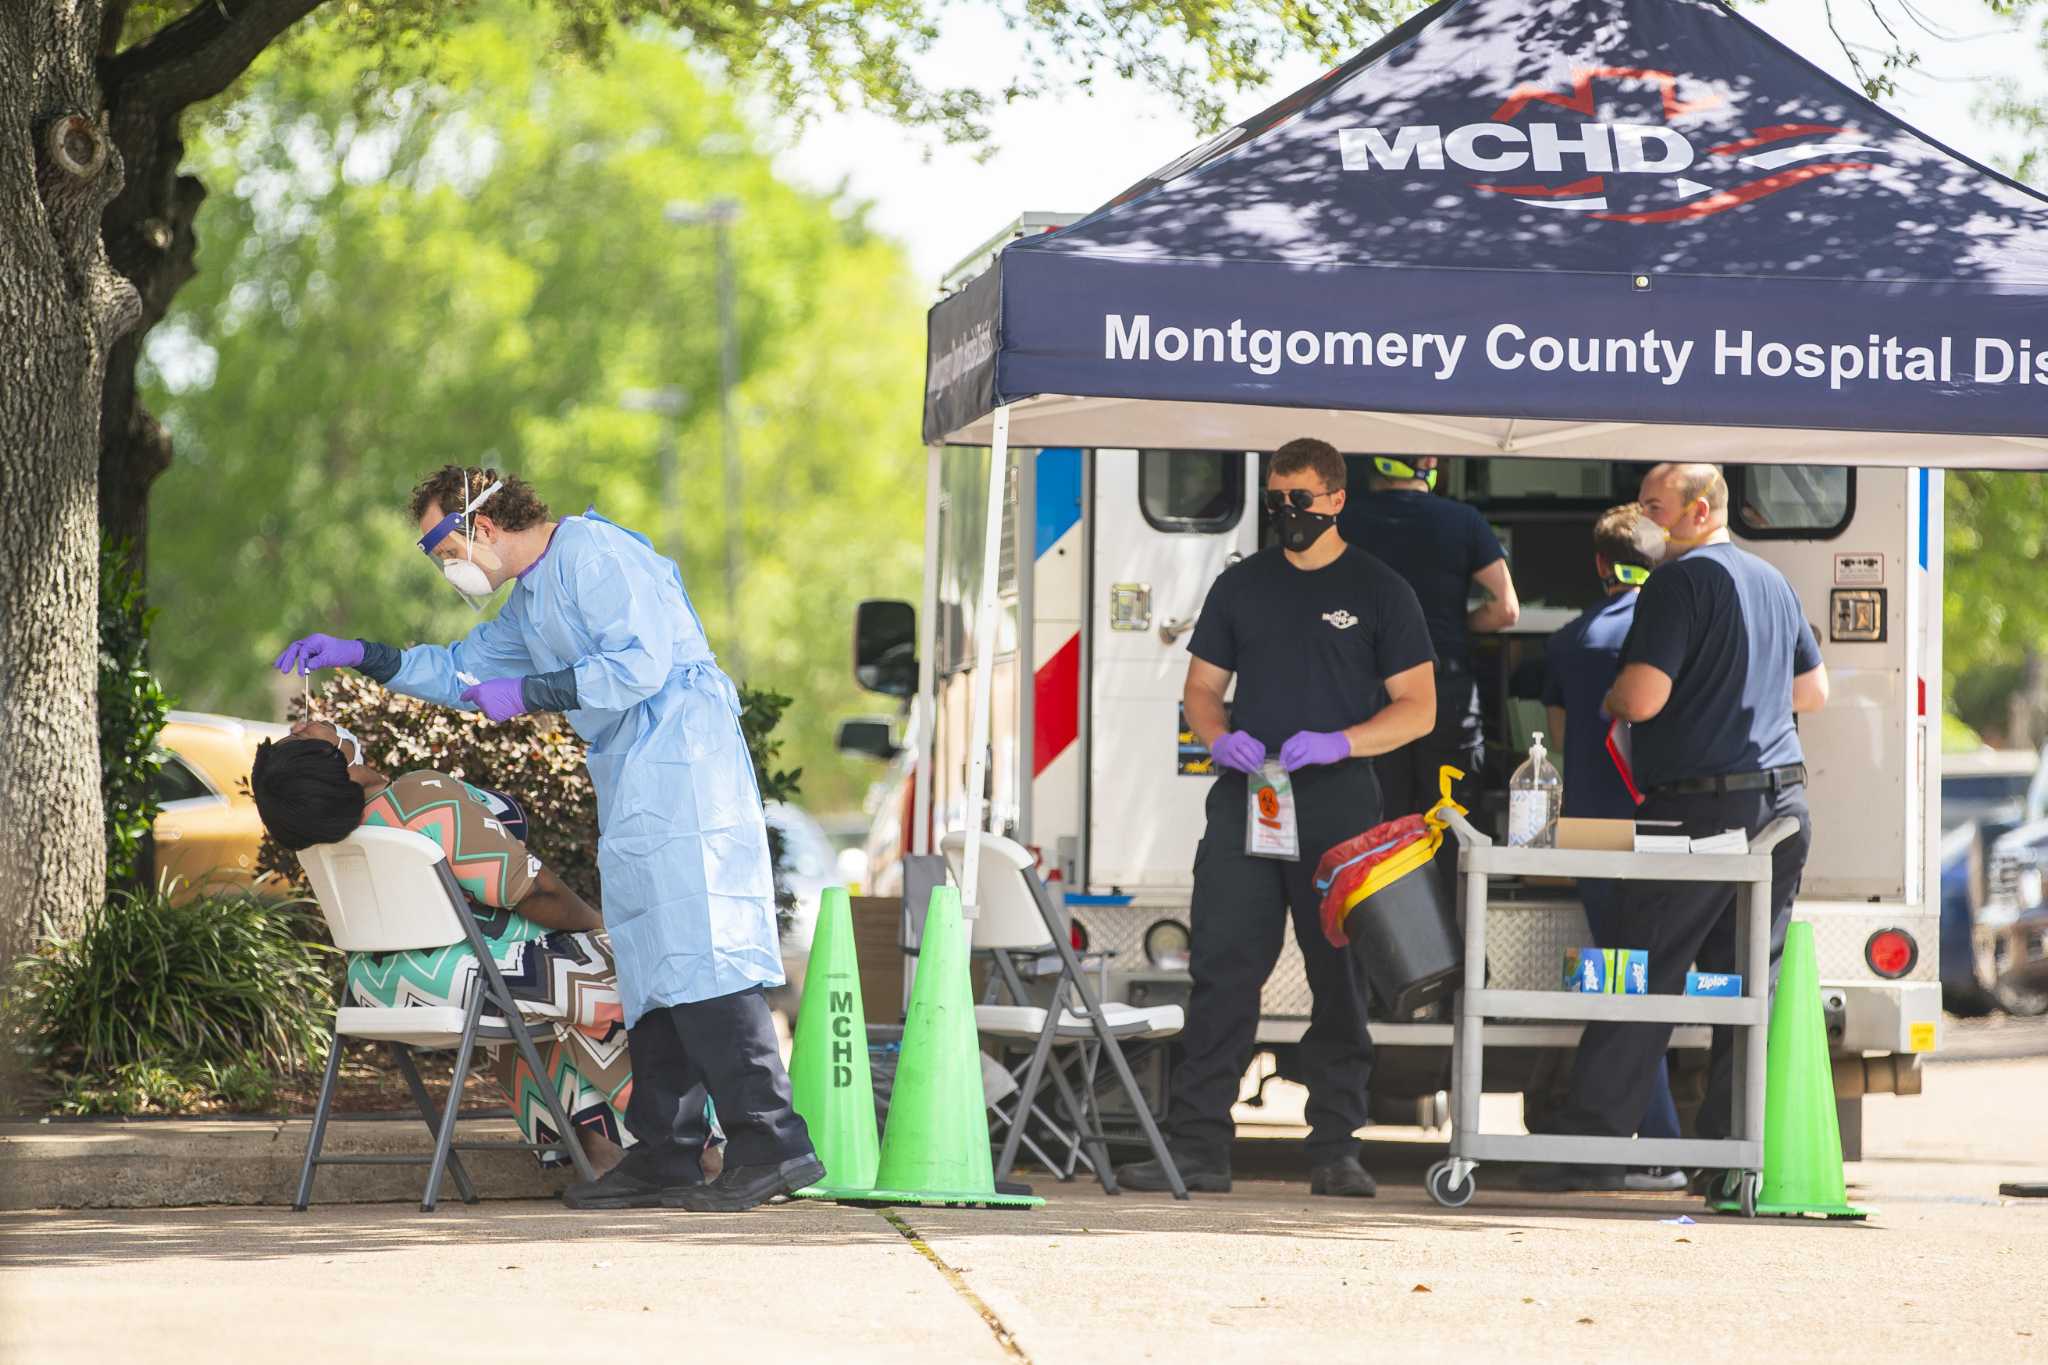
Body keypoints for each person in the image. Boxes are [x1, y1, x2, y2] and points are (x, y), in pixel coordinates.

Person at [274, 466, 821, 1211]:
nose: (445, 565)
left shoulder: (595, 555)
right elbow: (458, 669)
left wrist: (531, 693)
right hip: (634, 772)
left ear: (486, 525)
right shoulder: (529, 606)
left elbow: (640, 664)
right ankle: (666, 1150)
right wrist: (360, 654)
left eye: (443, 546)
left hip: (684, 763)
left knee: (702, 945)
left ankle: (774, 1143)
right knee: (650, 956)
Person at [1116, 437, 1437, 1198]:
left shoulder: (1380, 589)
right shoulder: (1242, 588)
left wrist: (1341, 742)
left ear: (1335, 500)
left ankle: (1336, 1147)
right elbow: (1200, 690)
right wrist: (1220, 737)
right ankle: (1198, 1146)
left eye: (1301, 500)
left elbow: (1418, 710)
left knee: (1340, 981)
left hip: (1340, 808)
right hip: (1249, 802)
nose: (1287, 514)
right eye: (1276, 500)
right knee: (1224, 971)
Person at [1523, 464, 1827, 1192]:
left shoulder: (1677, 582)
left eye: (1655, 507)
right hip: (1781, 807)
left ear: (1696, 510)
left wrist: (1622, 696)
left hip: (1699, 809)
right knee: (1746, 981)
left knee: (1645, 971)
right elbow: (1811, 693)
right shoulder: (1772, 579)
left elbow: (1644, 697)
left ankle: (1590, 1143)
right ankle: (1728, 1159)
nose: (1646, 519)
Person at [251, 723, 724, 1182]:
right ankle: (696, 1148)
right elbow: (528, 890)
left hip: (379, 986)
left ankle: (599, 1150)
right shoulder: (418, 796)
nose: (306, 722)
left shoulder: (327, 835)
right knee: (619, 974)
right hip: (466, 975)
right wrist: (599, 924)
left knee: (537, 992)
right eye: (302, 737)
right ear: (342, 770)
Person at [1539, 503, 1685, 1194]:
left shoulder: (1570, 640)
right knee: (1654, 979)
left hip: (1592, 832)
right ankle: (1663, 1141)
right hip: (1667, 825)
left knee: (1626, 979)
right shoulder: (1671, 630)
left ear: (1600, 565)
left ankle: (1657, 1139)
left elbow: (1561, 741)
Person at [1338, 455, 1519, 887]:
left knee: (1378, 825)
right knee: (1448, 823)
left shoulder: (1347, 520)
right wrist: (1461, 625)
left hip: (1369, 692)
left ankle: (1382, 945)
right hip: (1445, 692)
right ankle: (1453, 944)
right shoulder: (1463, 520)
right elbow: (1505, 609)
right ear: (1428, 463)